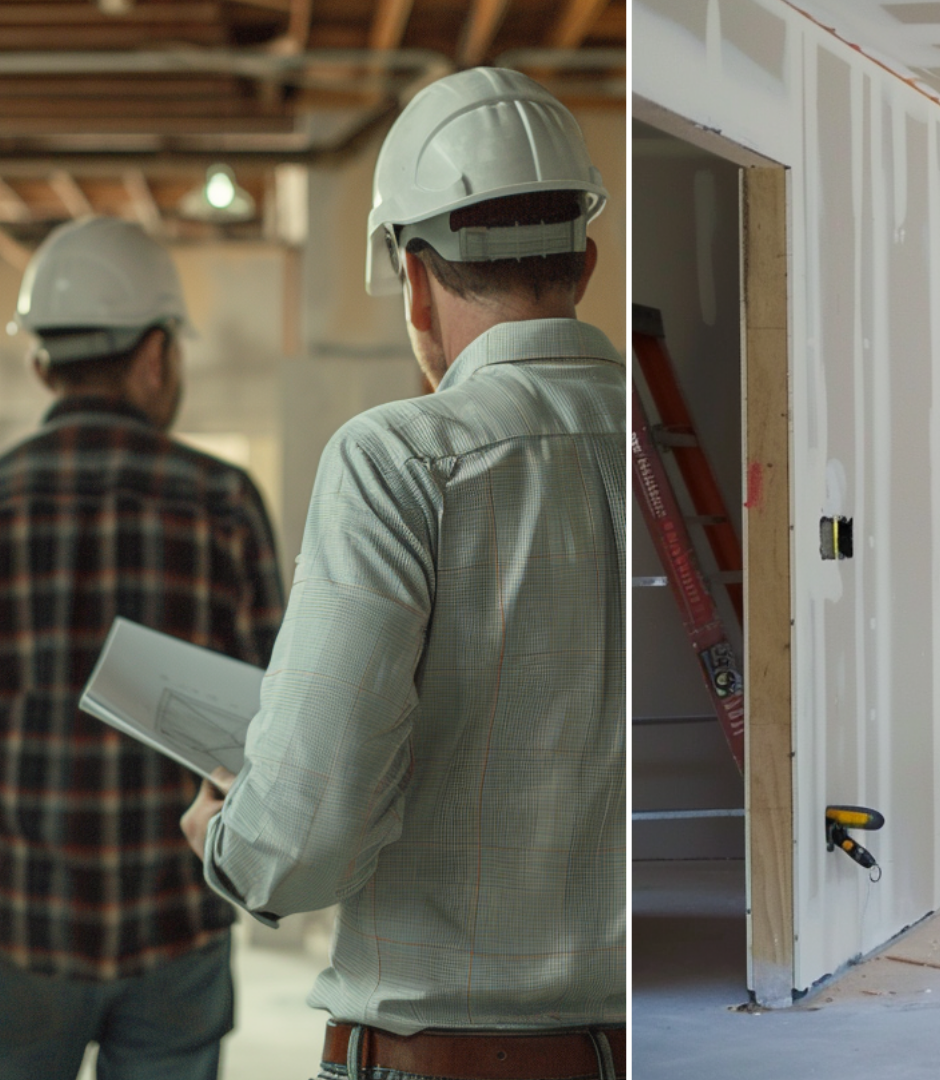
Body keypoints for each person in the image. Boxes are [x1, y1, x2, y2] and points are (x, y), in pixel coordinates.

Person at [180, 68, 627, 1080]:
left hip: (443, 1053)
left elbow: (302, 844)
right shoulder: (683, 453)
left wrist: (227, 833)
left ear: (413, 275)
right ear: (585, 260)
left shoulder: (399, 459)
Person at [0, 216, 287, 1079]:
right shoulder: (222, 503)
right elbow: (278, 713)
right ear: (157, 353)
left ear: (43, 360)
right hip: (175, 918)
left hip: (17, 923)